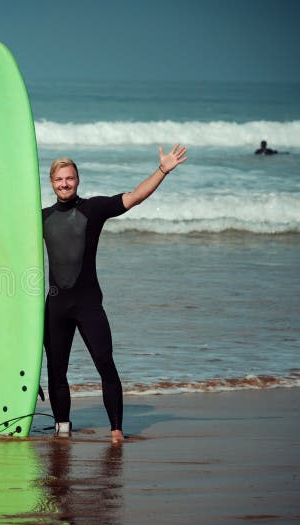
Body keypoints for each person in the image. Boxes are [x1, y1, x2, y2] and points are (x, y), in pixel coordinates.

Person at [43, 145, 187, 443]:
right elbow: (5, 236)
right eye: (59, 179)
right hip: (56, 304)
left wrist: (162, 170)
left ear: (78, 180)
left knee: (104, 362)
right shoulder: (41, 217)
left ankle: (117, 430)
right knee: (56, 370)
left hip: (88, 303)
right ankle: (62, 428)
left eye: (69, 178)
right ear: (51, 182)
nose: (65, 184)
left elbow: (134, 197)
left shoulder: (93, 209)